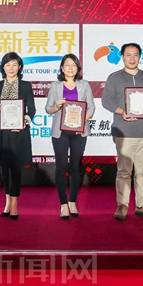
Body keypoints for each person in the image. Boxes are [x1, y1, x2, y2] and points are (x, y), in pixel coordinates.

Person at [102, 43, 143, 221]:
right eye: (128, 55)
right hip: (124, 131)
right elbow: (106, 100)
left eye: (135, 55)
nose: (132, 58)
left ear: (140, 57)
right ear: (122, 57)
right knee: (124, 171)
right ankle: (122, 205)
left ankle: (142, 205)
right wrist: (121, 112)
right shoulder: (115, 77)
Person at [45, 54, 94, 219]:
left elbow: (91, 108)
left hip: (79, 132)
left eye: (74, 65)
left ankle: (72, 201)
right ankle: (63, 204)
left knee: (75, 167)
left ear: (78, 68)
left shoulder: (84, 85)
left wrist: (81, 122)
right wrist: (57, 106)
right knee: (61, 167)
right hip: (60, 133)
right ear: (62, 68)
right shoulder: (55, 86)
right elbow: (48, 109)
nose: (70, 68)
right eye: (67, 64)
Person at [0, 52, 35, 220]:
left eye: (14, 64)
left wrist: (24, 121)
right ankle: (7, 202)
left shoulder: (26, 86)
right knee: (4, 169)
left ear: (20, 66)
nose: (11, 68)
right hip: (1, 133)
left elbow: (32, 109)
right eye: (8, 65)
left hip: (18, 133)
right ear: (3, 68)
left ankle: (14, 204)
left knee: (15, 169)